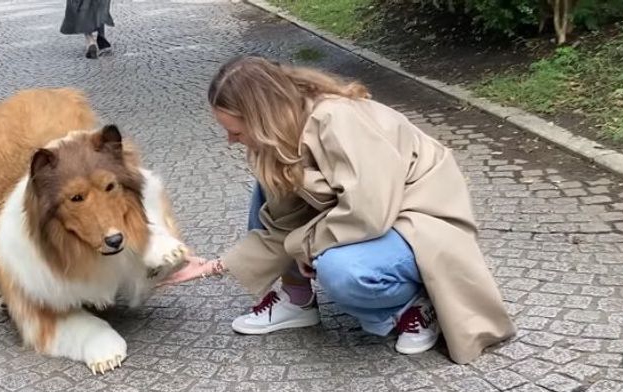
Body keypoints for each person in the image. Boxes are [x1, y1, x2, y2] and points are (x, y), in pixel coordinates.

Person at [162, 55, 516, 363]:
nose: (230, 141)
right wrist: (213, 266)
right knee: (268, 187)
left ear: (260, 117)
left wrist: (307, 245)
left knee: (342, 270)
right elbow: (281, 224)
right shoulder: (279, 140)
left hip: (420, 217)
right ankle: (295, 297)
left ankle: (415, 303)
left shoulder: (336, 119)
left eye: (235, 131)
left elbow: (369, 213)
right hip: (374, 217)